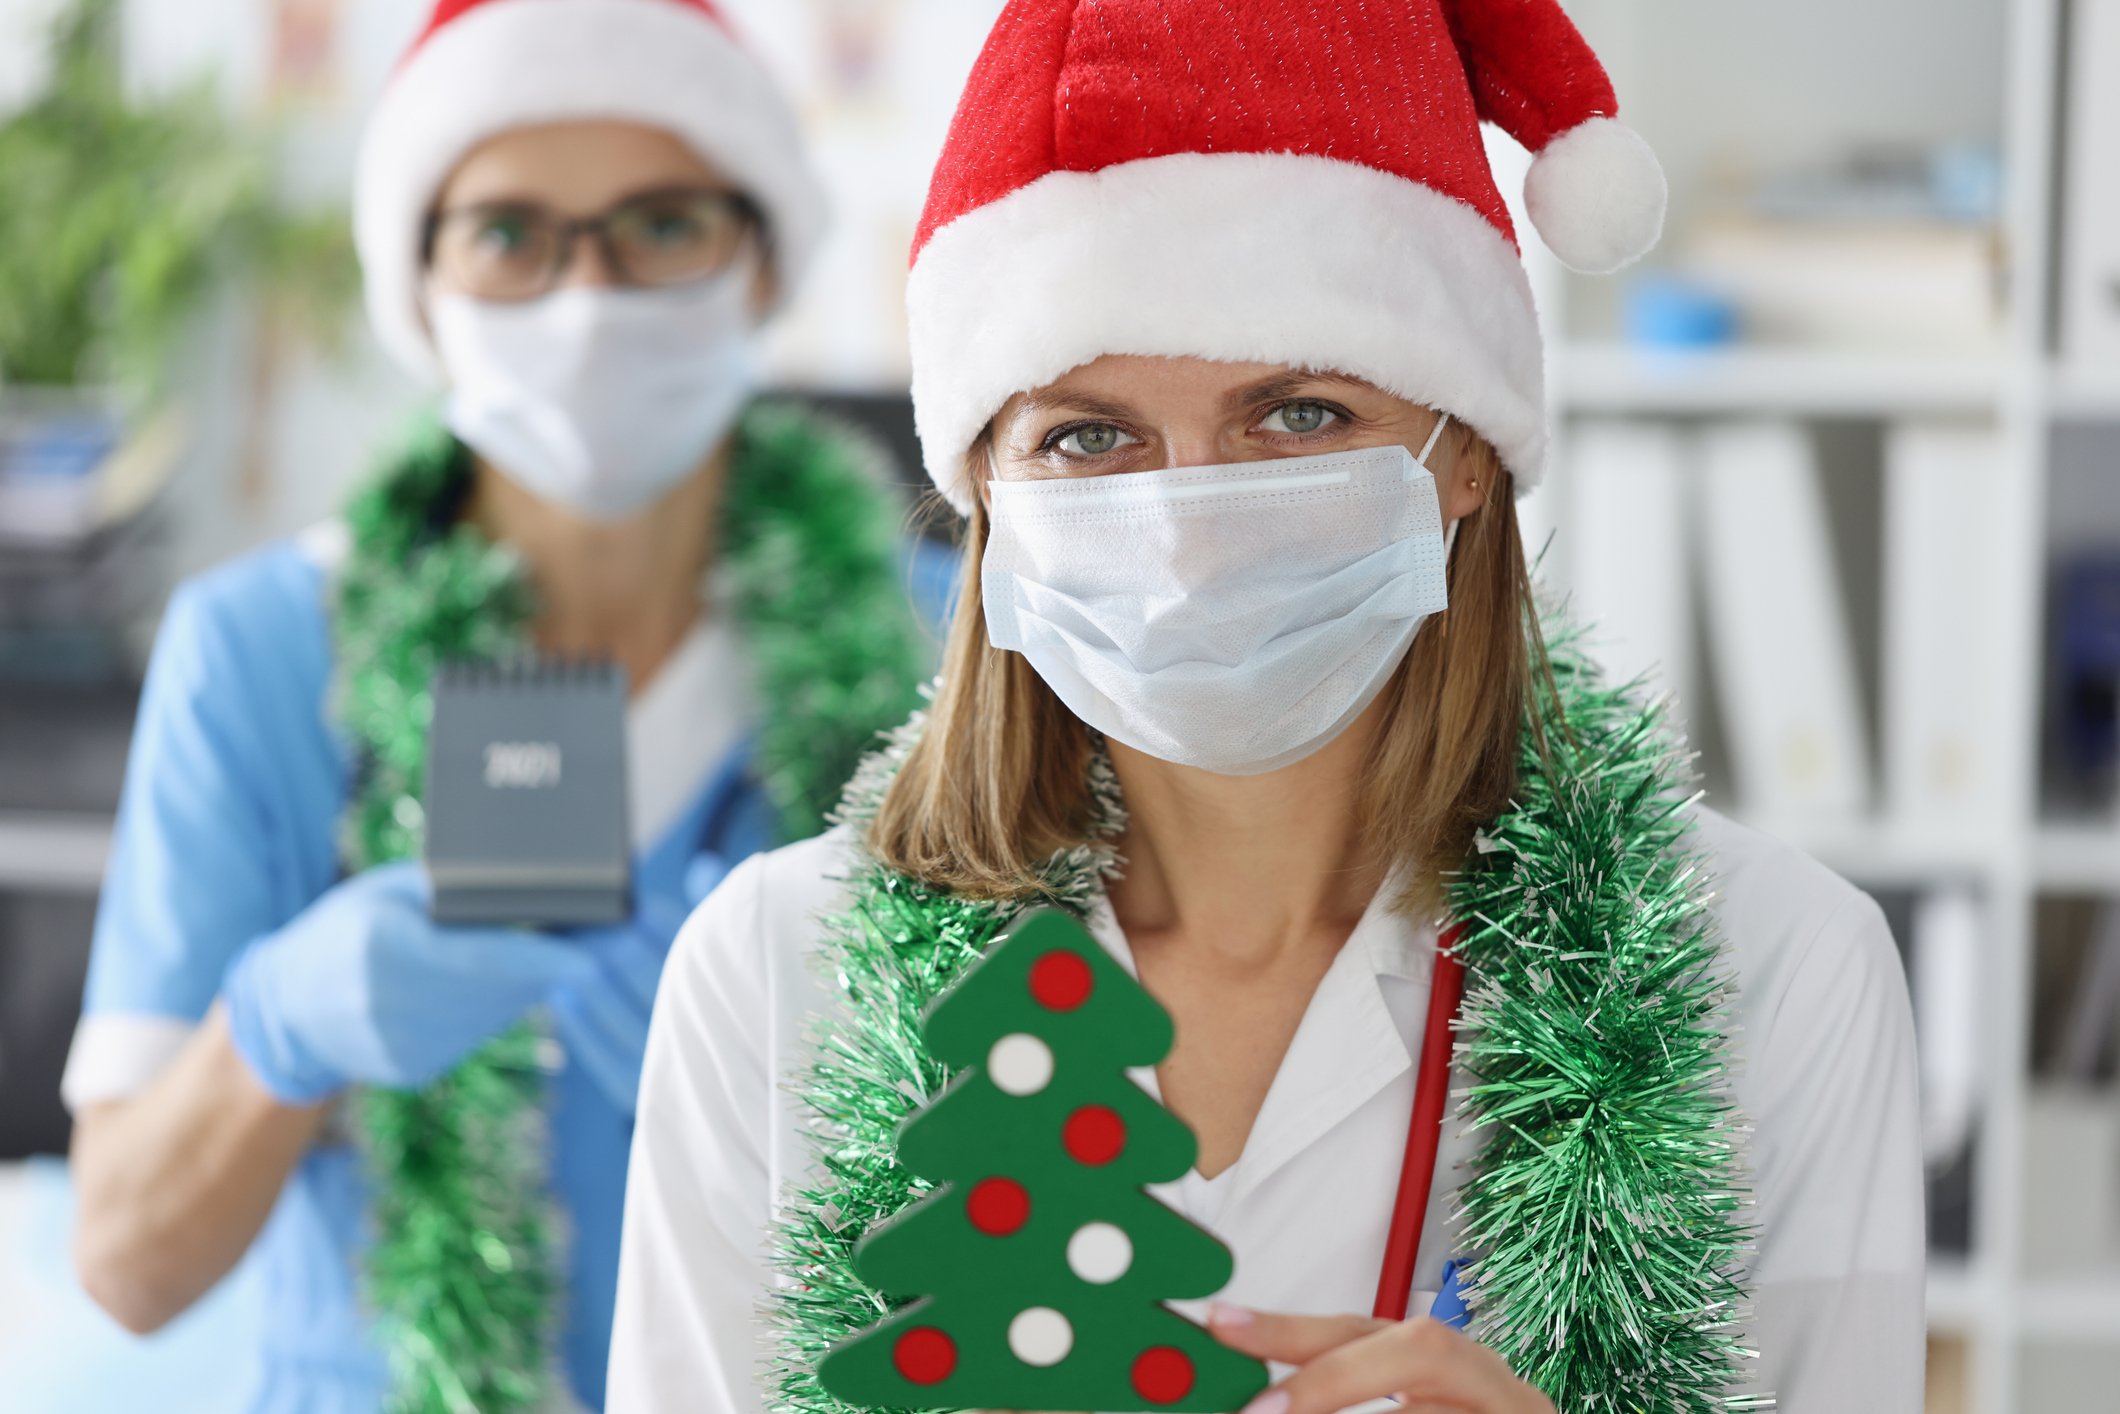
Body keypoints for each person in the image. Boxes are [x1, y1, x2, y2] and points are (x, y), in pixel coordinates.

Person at [608, 1, 1926, 1412]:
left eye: (1296, 413)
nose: (1188, 528)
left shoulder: (1775, 976)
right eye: (1088, 434)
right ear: (986, 490)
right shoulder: (772, 973)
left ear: (1464, 454)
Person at [61, 1, 938, 1410]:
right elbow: (122, 1261)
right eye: (510, 234)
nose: (586, 298)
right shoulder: (265, 653)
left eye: (661, 226)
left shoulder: (944, 647)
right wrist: (274, 1029)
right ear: (422, 283)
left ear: (764, 255)